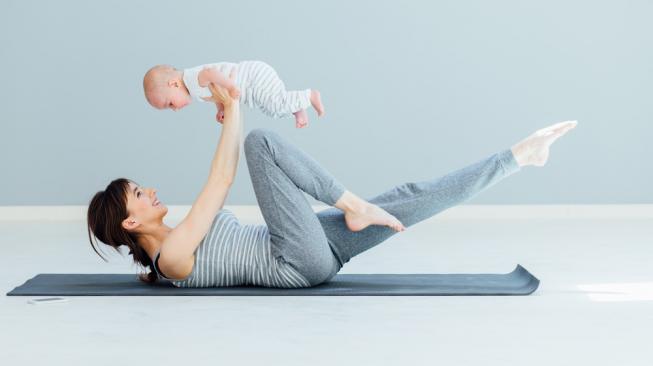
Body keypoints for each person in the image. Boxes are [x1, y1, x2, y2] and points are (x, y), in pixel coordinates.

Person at [88, 77, 578, 288]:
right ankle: (352, 204)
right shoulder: (172, 259)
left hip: (310, 244)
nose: (150, 191)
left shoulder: (178, 244)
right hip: (294, 260)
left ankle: (517, 157)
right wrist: (234, 107)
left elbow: (219, 183)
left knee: (407, 199)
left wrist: (229, 107)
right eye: (139, 193)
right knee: (260, 142)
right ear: (131, 220)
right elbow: (220, 180)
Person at [142, 60, 324, 128]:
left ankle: (310, 95)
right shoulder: (193, 89)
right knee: (272, 109)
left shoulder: (190, 79)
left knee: (275, 103)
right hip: (253, 79)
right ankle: (298, 107)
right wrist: (220, 107)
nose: (174, 109)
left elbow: (210, 74)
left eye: (170, 104)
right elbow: (214, 91)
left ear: (173, 84)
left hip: (252, 77)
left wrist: (230, 86)